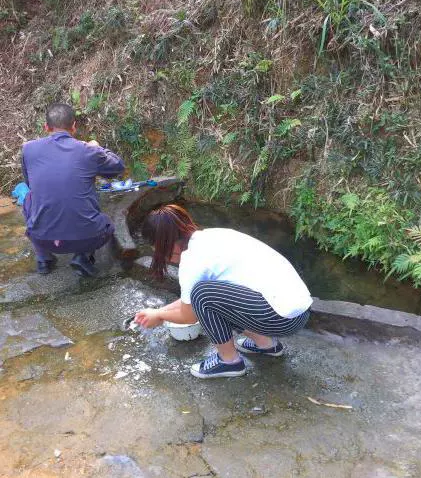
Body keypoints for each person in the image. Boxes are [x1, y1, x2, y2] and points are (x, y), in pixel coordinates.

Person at [135, 205, 312, 379]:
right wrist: (160, 311)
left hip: (282, 319)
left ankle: (229, 361)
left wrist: (159, 316)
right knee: (212, 297)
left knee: (203, 295)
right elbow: (188, 302)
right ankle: (265, 344)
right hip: (299, 310)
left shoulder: (192, 260)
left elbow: (189, 315)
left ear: (165, 244)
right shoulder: (212, 236)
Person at [21, 103, 125, 277]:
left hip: (41, 238)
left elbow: (31, 185)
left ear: (46, 127)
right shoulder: (88, 151)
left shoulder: (28, 149)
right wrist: (96, 147)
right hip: (88, 238)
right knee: (107, 223)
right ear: (74, 127)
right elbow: (118, 167)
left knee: (28, 199)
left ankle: (43, 258)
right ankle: (82, 256)